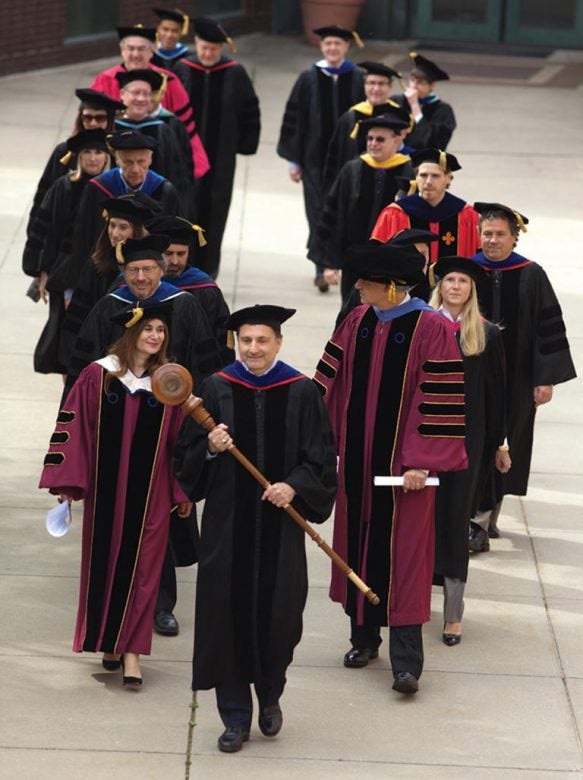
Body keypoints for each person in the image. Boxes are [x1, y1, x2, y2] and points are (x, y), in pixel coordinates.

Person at [174, 304, 337, 752]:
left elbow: (321, 460)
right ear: (236, 343)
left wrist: (294, 485)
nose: (253, 349)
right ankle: (235, 717)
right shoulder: (216, 388)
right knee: (225, 618)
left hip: (279, 530)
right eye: (246, 341)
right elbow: (185, 461)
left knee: (279, 618)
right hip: (228, 529)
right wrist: (208, 447)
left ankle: (270, 694)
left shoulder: (302, 391)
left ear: (279, 343)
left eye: (262, 340)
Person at [313, 242, 467, 694]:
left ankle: (407, 663)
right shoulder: (357, 321)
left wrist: (421, 461)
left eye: (366, 282)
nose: (357, 287)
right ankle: (363, 640)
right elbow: (327, 384)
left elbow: (438, 401)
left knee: (405, 563)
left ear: (394, 287)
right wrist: (318, 441)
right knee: (359, 550)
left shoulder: (432, 328)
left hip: (405, 476)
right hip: (359, 468)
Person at [39, 299, 192, 687]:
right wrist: (70, 484)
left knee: (144, 570)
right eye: (148, 329)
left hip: (153, 495)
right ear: (131, 334)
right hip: (108, 492)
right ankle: (109, 641)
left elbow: (181, 443)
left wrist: (183, 489)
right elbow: (75, 431)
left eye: (161, 330)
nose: (156, 336)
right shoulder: (98, 377)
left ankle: (132, 654)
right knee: (106, 564)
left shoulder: (171, 382)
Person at [470, 202, 576, 547]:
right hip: (472, 379)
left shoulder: (532, 273)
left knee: (508, 444)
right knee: (477, 442)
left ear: (514, 238)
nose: (493, 240)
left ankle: (489, 513)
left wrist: (545, 378)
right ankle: (478, 519)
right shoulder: (466, 271)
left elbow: (548, 328)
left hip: (516, 381)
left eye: (501, 234)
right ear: (479, 235)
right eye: (487, 233)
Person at [429, 256, 507, 644]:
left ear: (471, 290)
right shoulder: (422, 326)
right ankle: (412, 601)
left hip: (466, 444)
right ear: (439, 286)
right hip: (424, 440)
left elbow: (496, 395)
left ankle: (453, 615)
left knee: (455, 522)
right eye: (449, 280)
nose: (456, 286)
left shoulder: (486, 334)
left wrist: (500, 443)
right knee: (421, 521)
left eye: (463, 281)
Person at [64, 234, 222, 400]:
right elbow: (84, 366)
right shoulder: (108, 306)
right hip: (114, 404)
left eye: (148, 269)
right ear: (123, 274)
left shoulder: (185, 305)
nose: (140, 278)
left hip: (171, 407)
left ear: (162, 271)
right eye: (133, 270)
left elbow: (203, 366)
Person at [277, 25, 365, 292]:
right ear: (321, 47)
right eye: (328, 44)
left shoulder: (359, 77)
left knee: (347, 213)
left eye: (338, 44)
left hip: (349, 161)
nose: (333, 49)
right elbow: (294, 118)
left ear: (346, 47)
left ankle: (344, 265)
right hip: (314, 161)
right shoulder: (308, 78)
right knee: (317, 213)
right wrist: (294, 160)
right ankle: (321, 268)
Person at [174, 17, 261, 278]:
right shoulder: (182, 69)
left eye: (213, 49)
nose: (208, 54)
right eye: (204, 48)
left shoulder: (234, 72)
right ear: (196, 43)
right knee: (185, 212)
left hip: (221, 159)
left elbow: (250, 110)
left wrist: (244, 145)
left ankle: (207, 275)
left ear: (221, 48)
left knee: (215, 213)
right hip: (186, 159)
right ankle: (181, 269)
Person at [22, 129, 110, 375]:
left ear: (107, 156)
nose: (93, 158)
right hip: (68, 275)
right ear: (79, 157)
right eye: (88, 152)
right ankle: (71, 398)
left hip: (103, 276)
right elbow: (47, 231)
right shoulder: (64, 186)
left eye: (99, 152)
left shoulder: (113, 189)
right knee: (66, 344)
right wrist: (43, 270)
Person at [309, 113, 413, 303]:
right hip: (355, 261)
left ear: (396, 141)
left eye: (380, 139)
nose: (373, 143)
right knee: (351, 314)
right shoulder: (352, 170)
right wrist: (330, 263)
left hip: (392, 262)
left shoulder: (410, 173)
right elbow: (333, 216)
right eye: (370, 138)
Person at [67, 129, 180, 292]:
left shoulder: (164, 191)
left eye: (141, 162)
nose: (135, 169)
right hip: (100, 276)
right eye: (128, 162)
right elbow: (82, 239)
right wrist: (74, 286)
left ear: (150, 159)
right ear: (117, 161)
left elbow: (173, 243)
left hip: (148, 280)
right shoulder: (97, 188)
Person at [59, 193, 158, 370]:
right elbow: (79, 316)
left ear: (136, 231)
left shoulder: (151, 267)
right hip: (101, 352)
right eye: (112, 226)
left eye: (123, 227)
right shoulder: (97, 265)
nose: (115, 233)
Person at [25, 89, 123, 232]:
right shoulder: (65, 151)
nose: (93, 123)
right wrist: (35, 234)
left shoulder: (119, 153)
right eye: (88, 117)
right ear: (80, 118)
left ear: (109, 120)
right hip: (65, 231)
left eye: (100, 118)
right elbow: (45, 194)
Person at [145, 214, 234, 365]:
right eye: (168, 254)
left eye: (181, 254)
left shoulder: (205, 290)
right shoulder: (136, 285)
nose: (174, 261)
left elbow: (219, 345)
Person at [371, 149, 480, 261]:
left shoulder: (467, 214)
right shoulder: (394, 213)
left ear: (448, 178)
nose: (428, 181)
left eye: (435, 176)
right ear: (416, 178)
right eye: (423, 175)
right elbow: (379, 255)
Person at [114, 68, 195, 212]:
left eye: (146, 94)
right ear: (122, 94)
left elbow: (179, 174)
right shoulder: (111, 127)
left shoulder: (165, 129)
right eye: (136, 93)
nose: (141, 98)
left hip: (157, 209)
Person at [322, 60, 408, 194]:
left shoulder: (401, 116)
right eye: (371, 83)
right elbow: (336, 157)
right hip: (354, 189)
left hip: (391, 186)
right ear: (364, 85)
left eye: (381, 84)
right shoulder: (350, 117)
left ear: (390, 87)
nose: (376, 89)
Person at [336, 228, 440, 324]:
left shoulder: (434, 287)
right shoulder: (369, 286)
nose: (422, 261)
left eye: (424, 254)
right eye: (415, 254)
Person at [391, 53, 456, 150]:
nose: (414, 86)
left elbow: (434, 143)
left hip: (425, 160)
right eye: (412, 80)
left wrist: (415, 106)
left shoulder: (443, 110)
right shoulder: (396, 101)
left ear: (432, 86)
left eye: (421, 83)